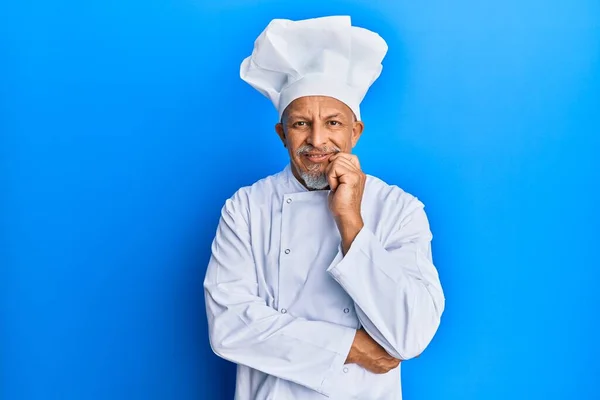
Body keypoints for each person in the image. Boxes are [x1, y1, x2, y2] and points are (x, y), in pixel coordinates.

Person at [204, 15, 445, 400]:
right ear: (282, 134)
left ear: (355, 131)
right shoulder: (246, 208)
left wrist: (350, 221)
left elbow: (410, 335)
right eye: (301, 123)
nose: (317, 140)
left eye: (333, 122)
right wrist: (349, 346)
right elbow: (228, 326)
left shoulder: (399, 209)